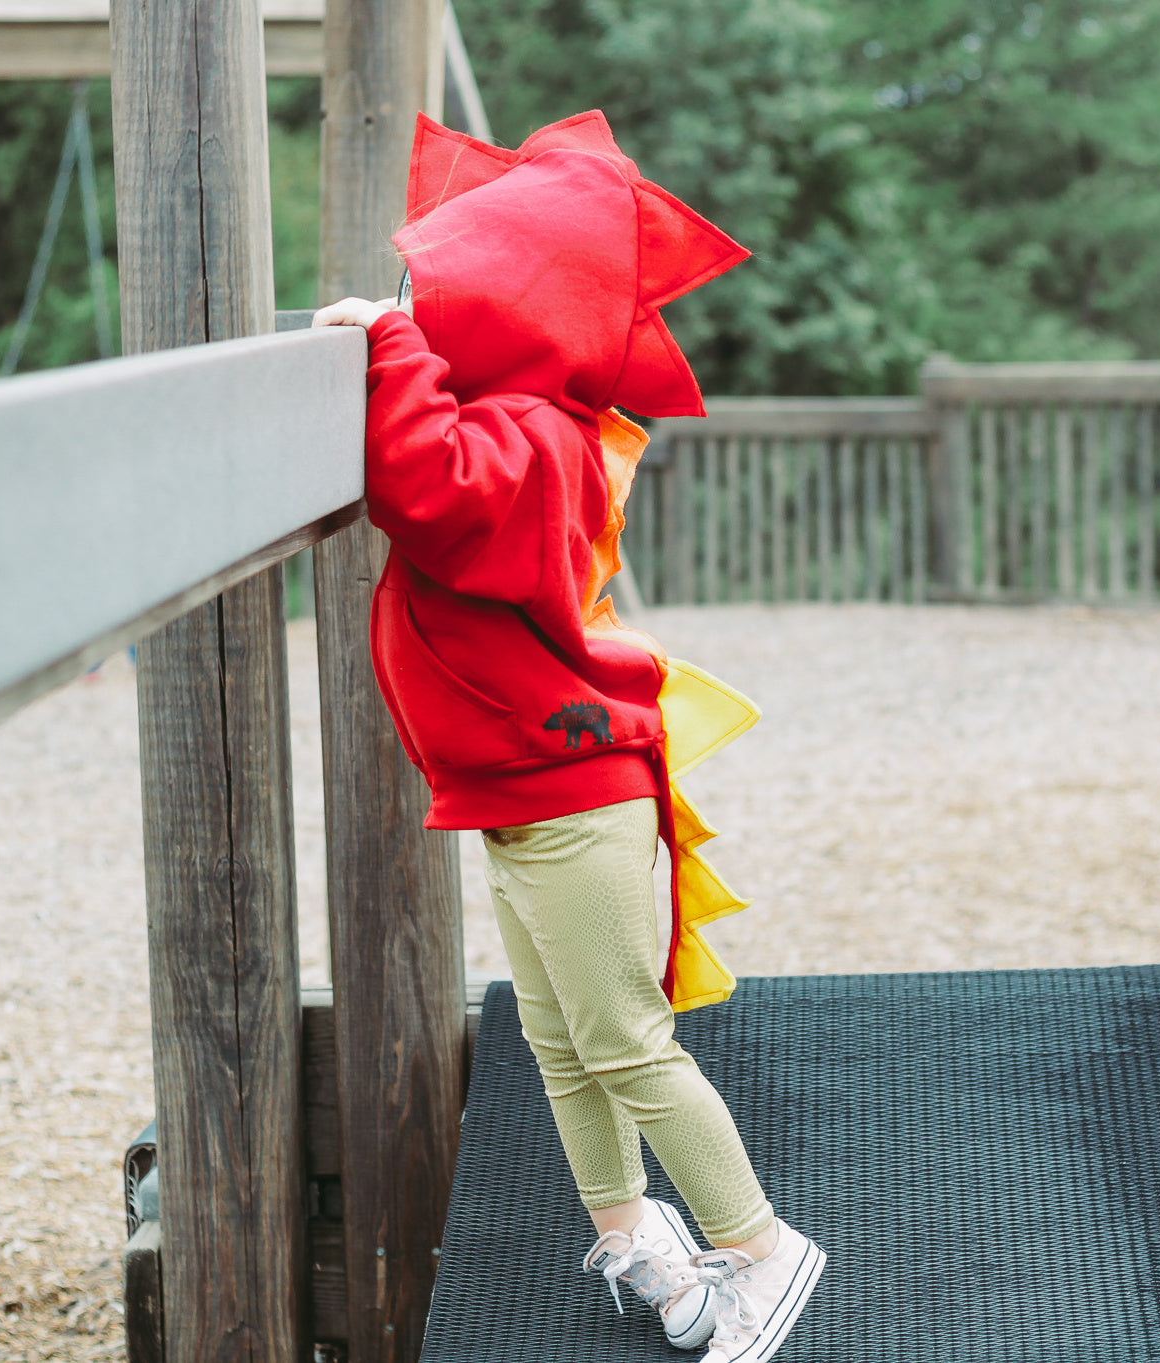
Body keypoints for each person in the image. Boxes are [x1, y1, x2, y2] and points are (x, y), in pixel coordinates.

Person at [313, 110, 823, 1363]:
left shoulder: (541, 439)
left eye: (438, 287)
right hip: (520, 790)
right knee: (556, 1037)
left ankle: (762, 1246)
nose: (419, 301)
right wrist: (396, 341)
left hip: (573, 794)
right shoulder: (521, 413)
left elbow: (428, 486)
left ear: (515, 303)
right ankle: (634, 1232)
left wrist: (385, 344)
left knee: (625, 1045)